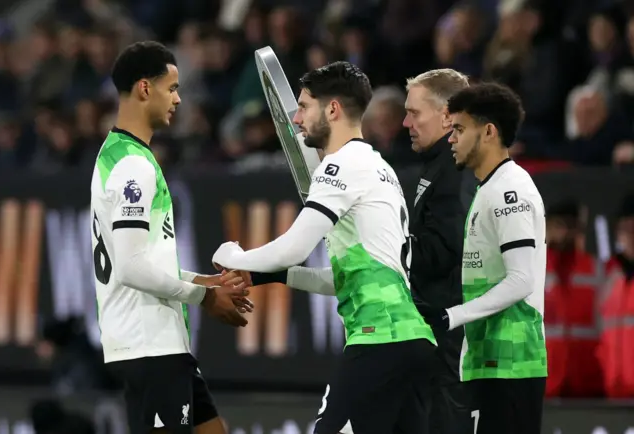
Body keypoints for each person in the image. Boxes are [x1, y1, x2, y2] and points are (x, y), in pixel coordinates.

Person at [212, 61, 437, 434]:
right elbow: (340, 278)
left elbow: (294, 248)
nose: (296, 119)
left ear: (332, 109)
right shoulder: (379, 167)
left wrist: (234, 256)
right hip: (412, 344)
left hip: (379, 341)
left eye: (304, 106)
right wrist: (271, 275)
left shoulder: (341, 166)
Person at [90, 41, 253, 434]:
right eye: (173, 88)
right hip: (149, 344)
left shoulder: (119, 155)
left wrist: (203, 280)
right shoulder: (134, 167)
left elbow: (143, 260)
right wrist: (205, 296)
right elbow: (130, 268)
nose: (178, 99)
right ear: (146, 88)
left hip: (159, 342)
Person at [421, 82, 547, 434]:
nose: (451, 139)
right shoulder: (487, 188)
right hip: (486, 360)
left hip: (512, 363)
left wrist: (451, 316)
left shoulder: (510, 190)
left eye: (459, 129)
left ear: (489, 131)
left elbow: (522, 279)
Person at [403, 69, 476, 434]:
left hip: (449, 331)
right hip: (437, 329)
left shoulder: (455, 168)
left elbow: (447, 249)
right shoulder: (439, 164)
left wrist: (391, 247)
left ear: (447, 114)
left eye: (414, 113)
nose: (405, 122)